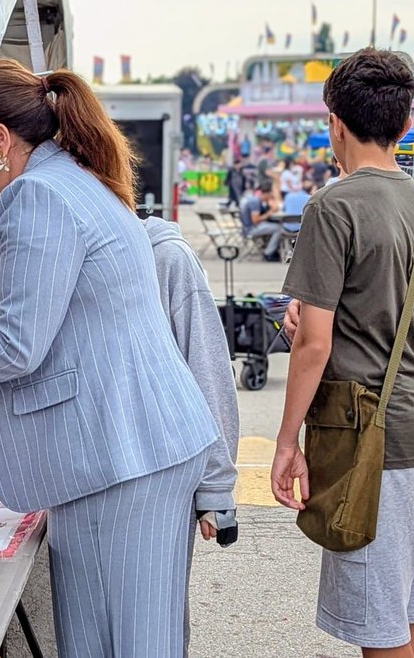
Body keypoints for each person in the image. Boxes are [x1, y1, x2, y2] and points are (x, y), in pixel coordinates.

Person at [0, 59, 219, 657]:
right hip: (126, 452)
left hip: (121, 459)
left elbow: (15, 344)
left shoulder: (38, 197)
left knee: (125, 644)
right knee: (121, 640)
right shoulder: (73, 181)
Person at [271, 49, 414, 657]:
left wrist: (286, 442)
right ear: (406, 124)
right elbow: (398, 307)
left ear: (335, 122)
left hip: (370, 440)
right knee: (399, 616)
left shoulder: (333, 205)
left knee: (380, 627)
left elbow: (313, 343)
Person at [141, 214, 240, 650]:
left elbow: (207, 369)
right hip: (82, 480)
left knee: (155, 623)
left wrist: (215, 489)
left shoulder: (166, 257)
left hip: (161, 474)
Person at [240, 179, 283, 260]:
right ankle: (269, 253)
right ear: (268, 193)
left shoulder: (260, 201)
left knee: (277, 226)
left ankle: (271, 249)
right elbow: (255, 220)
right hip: (250, 229)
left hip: (254, 226)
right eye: (273, 192)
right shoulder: (255, 202)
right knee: (279, 228)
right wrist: (269, 213)